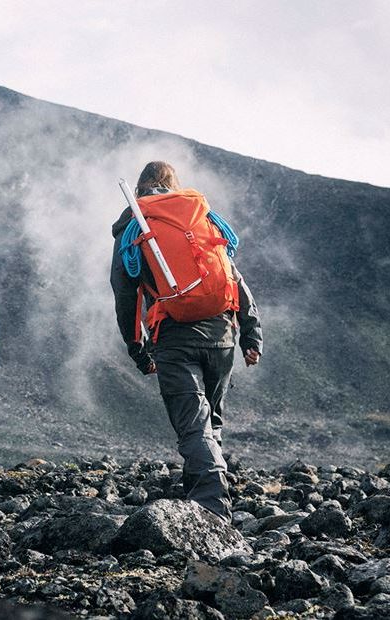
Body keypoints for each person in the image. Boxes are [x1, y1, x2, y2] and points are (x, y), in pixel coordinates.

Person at [109, 161, 262, 521]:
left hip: (174, 336)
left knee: (193, 424)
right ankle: (202, 494)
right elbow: (234, 278)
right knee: (211, 421)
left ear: (141, 187)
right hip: (222, 333)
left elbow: (125, 296)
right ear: (174, 186)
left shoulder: (137, 225)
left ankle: (212, 509)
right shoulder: (201, 217)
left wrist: (138, 350)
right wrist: (251, 334)